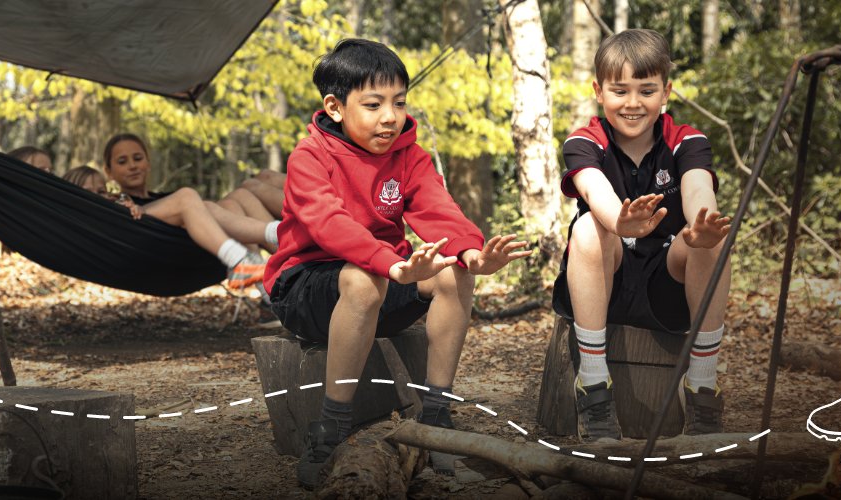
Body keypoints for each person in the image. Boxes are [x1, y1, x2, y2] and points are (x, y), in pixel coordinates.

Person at [264, 39, 530, 488]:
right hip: (306, 285)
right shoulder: (310, 156)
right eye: (373, 104)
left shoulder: (409, 156)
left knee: (453, 272)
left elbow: (438, 210)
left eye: (399, 102)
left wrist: (472, 253)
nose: (390, 116)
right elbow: (329, 225)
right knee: (363, 278)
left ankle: (436, 418)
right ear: (334, 107)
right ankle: (330, 428)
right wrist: (389, 264)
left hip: (384, 275)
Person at [551, 29, 733, 442]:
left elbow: (698, 188)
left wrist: (702, 222)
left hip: (666, 287)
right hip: (604, 284)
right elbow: (593, 189)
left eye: (646, 91)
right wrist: (619, 221)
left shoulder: (687, 140)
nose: (633, 103)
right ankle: (593, 385)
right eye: (620, 91)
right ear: (599, 91)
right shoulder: (584, 141)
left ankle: (702, 385)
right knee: (588, 227)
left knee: (712, 239)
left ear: (665, 92)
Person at [102, 133, 281, 289]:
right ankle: (269, 242)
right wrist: (120, 203)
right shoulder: (119, 204)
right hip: (156, 255)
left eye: (138, 158)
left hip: (197, 248)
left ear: (148, 162)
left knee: (234, 200)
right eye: (122, 162)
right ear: (108, 172)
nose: (132, 166)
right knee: (187, 196)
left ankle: (270, 285)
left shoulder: (166, 199)